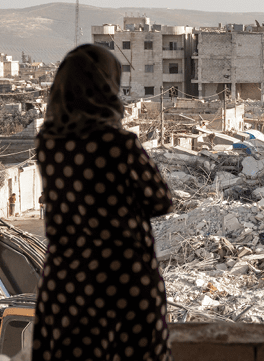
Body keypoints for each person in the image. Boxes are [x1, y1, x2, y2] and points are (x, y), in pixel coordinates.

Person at [32, 44, 174, 361]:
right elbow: (161, 200)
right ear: (106, 86)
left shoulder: (47, 143)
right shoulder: (118, 143)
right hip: (122, 276)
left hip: (67, 279)